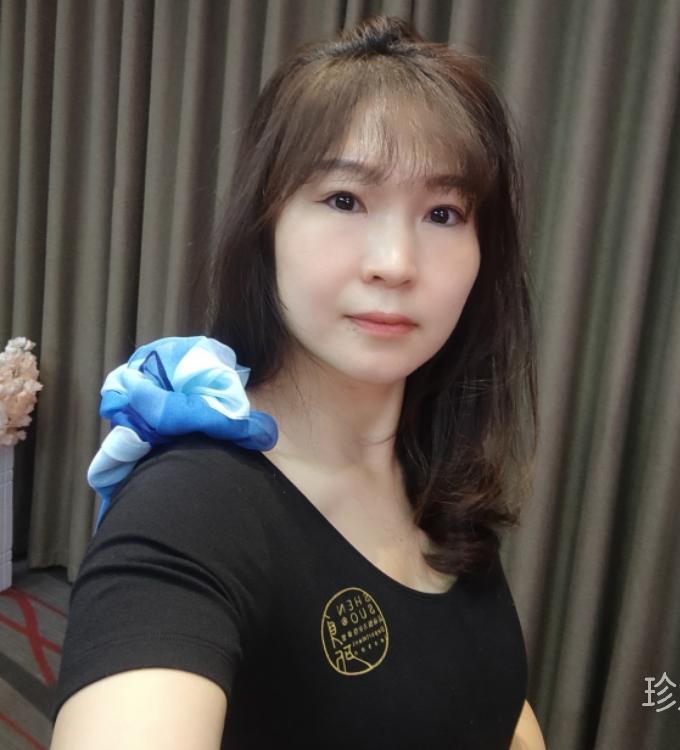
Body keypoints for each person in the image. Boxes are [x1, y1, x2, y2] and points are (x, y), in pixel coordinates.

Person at [50, 15, 545, 750]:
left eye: (443, 213)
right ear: (267, 225)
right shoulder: (192, 510)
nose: (395, 263)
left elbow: (492, 698)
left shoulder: (435, 473)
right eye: (345, 200)